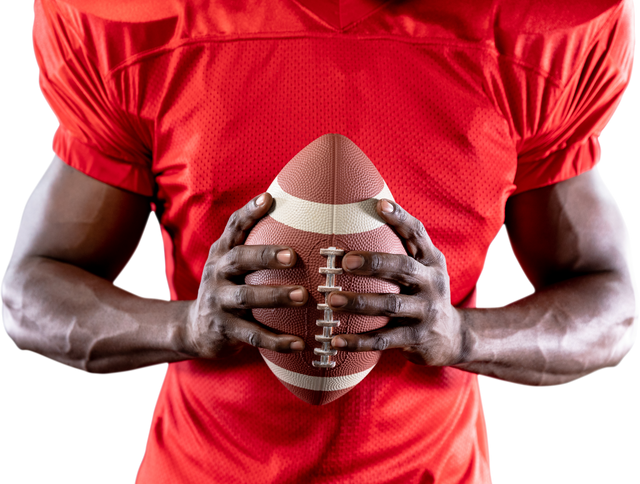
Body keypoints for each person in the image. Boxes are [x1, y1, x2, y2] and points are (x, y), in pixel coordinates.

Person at [1, 0, 638, 482]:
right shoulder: (159, 30)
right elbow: (30, 291)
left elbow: (612, 306)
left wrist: (463, 336)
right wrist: (185, 328)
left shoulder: (519, 41)